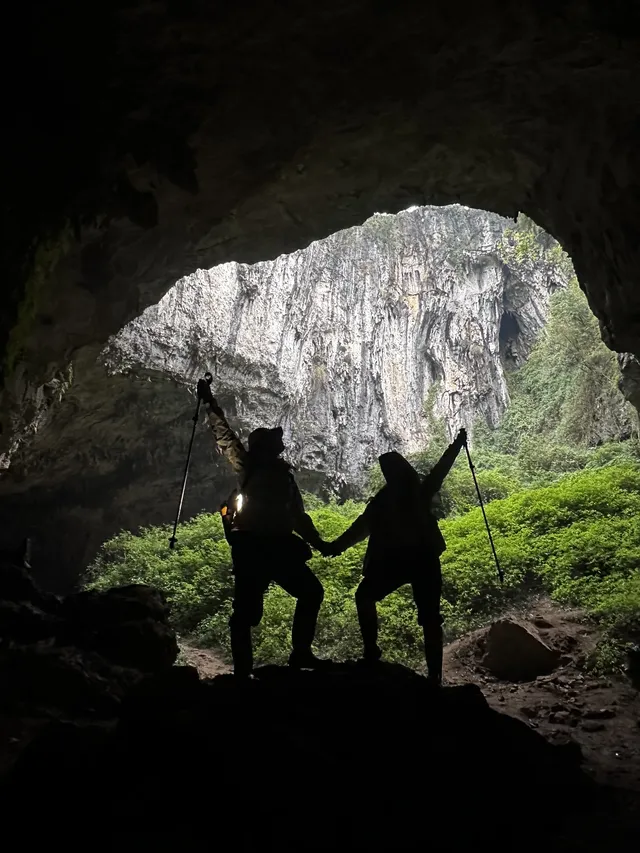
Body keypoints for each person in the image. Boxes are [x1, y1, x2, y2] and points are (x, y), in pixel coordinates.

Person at [197, 379, 330, 677]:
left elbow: (298, 516)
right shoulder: (249, 466)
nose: (279, 446)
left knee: (311, 592)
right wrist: (209, 402)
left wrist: (321, 544)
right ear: (264, 447)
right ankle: (243, 672)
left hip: (278, 546)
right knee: (246, 614)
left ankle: (300, 653)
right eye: (273, 441)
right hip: (254, 548)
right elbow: (225, 436)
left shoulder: (284, 477)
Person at [325, 430, 468, 684]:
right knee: (429, 617)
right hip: (421, 560)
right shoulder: (418, 492)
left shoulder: (386, 499)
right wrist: (456, 445)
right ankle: (433, 674)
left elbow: (360, 528)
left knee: (367, 596)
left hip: (397, 562)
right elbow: (440, 470)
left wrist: (336, 547)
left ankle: (374, 653)